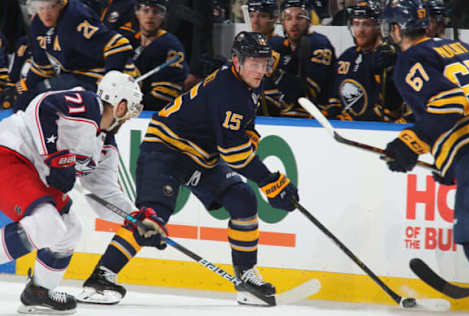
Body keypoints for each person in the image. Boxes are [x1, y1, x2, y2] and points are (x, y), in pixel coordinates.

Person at [78, 31, 299, 306]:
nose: (259, 70)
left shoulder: (249, 82)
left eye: (263, 63)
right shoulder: (230, 91)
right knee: (152, 216)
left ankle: (246, 278)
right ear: (237, 62)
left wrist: (250, 138)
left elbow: (240, 128)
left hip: (201, 157)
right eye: (252, 63)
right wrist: (270, 181)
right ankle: (99, 279)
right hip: (165, 150)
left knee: (243, 199)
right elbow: (233, 152)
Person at [0, 71, 162, 314]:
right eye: (130, 109)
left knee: (71, 230)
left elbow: (104, 194)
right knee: (48, 225)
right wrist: (55, 156)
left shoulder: (105, 146)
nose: (130, 117)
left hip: (35, 172)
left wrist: (136, 219)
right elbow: (41, 106)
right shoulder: (87, 103)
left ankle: (39, 292)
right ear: (120, 105)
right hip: (11, 152)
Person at [381, 0, 469, 277]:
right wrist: (448, 161)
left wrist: (411, 142)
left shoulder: (410, 59)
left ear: (398, 29)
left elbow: (452, 102)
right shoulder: (459, 47)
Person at [14, 0, 136, 111]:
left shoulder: (75, 17)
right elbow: (43, 67)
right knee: (24, 100)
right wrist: (26, 86)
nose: (46, 14)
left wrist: (111, 83)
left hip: (96, 77)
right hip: (73, 76)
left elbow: (119, 46)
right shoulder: (38, 25)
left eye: (51, 7)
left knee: (41, 98)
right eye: (41, 8)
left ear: (61, 4)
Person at [329, 0, 407, 122]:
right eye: (356, 24)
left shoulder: (389, 57)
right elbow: (335, 97)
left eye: (366, 24)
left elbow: (393, 108)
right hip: (344, 127)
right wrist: (334, 117)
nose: (360, 30)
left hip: (375, 129)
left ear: (379, 27)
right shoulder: (347, 56)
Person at [262, 0, 337, 117]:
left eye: (299, 17)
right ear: (282, 23)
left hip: (315, 115)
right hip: (284, 115)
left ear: (309, 21)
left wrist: (275, 72)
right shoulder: (280, 46)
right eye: (288, 18)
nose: (294, 23)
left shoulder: (319, 44)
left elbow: (306, 96)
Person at [131, 0, 189, 111]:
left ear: (163, 16)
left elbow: (165, 96)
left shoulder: (170, 46)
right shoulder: (130, 41)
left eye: (155, 12)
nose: (150, 16)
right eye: (146, 11)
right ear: (137, 14)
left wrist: (132, 105)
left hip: (151, 114)